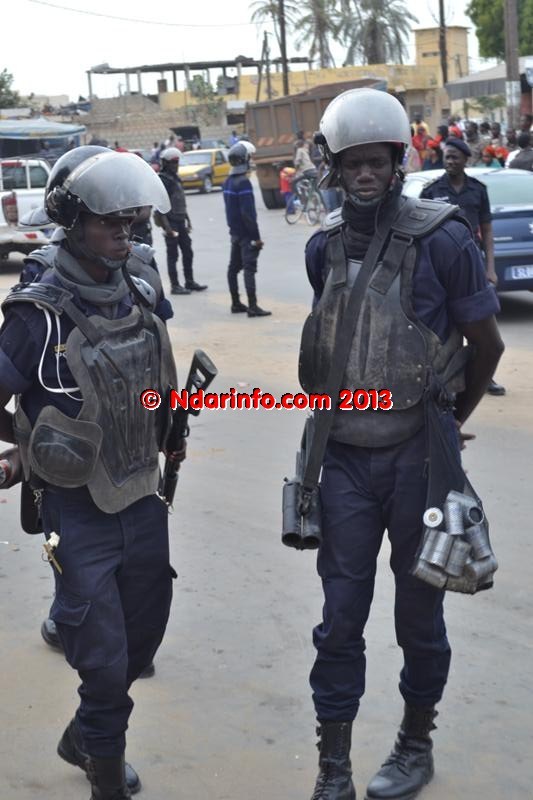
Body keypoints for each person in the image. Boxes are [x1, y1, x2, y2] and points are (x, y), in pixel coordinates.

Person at [301, 88, 504, 800]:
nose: (364, 175)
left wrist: (449, 417)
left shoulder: (443, 238)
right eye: (351, 163)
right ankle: (333, 765)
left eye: (376, 162)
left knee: (419, 613)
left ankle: (414, 743)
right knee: (339, 618)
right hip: (344, 460)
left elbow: (487, 344)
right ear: (333, 167)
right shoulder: (320, 245)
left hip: (417, 455)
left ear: (396, 162)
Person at [0, 148, 183, 799]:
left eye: (132, 224)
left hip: (141, 490)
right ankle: (104, 767)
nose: (125, 235)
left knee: (142, 638)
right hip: (75, 504)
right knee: (102, 654)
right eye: (112, 223)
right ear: (74, 220)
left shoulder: (138, 280)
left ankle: (85, 732)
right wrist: (20, 446)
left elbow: (153, 360)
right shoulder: (38, 311)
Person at [421, 138, 506, 396]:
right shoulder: (432, 191)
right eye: (447, 157)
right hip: (440, 267)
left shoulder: (478, 190)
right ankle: (444, 374)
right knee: (446, 322)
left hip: (472, 263)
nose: (450, 161)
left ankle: (483, 375)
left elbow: (488, 231)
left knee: (478, 322)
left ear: (466, 159)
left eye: (455, 157)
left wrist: (490, 268)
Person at [222, 141, 271, 317]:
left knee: (233, 269)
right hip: (245, 235)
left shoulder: (227, 182)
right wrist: (256, 238)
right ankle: (252, 306)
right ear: (245, 159)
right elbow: (248, 215)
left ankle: (235, 303)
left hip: (234, 233)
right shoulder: (244, 183)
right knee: (249, 269)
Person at [157, 147, 208, 295]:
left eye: (177, 162)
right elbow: (161, 207)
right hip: (171, 223)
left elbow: (181, 202)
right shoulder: (164, 180)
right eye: (173, 162)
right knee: (173, 255)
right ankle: (175, 285)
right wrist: (168, 229)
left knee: (188, 252)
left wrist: (188, 221)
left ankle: (189, 281)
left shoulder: (175, 178)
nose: (176, 165)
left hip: (180, 221)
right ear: (166, 163)